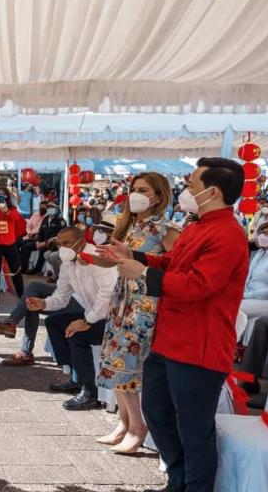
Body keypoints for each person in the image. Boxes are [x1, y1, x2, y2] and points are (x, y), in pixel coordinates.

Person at [98, 157, 248, 492]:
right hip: (169, 341)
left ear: (212, 192)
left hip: (199, 347)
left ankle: (195, 486)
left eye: (192, 184)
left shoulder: (228, 234)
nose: (186, 189)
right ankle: (177, 479)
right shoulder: (197, 226)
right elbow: (174, 263)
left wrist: (143, 273)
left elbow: (198, 285)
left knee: (194, 430)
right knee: (157, 412)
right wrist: (137, 257)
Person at [94, 172, 180, 454]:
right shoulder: (127, 223)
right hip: (122, 298)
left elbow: (175, 266)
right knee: (113, 359)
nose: (136, 194)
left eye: (143, 190)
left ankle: (137, 427)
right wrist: (102, 256)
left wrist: (141, 266)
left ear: (158, 196)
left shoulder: (166, 229)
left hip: (144, 303)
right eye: (134, 188)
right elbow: (116, 262)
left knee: (128, 362)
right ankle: (125, 422)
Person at [26, 227, 118, 409]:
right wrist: (43, 304)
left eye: (67, 243)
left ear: (81, 242)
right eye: (59, 244)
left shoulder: (97, 258)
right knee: (53, 323)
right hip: (93, 314)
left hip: (113, 318)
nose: (62, 248)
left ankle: (90, 393)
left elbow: (108, 294)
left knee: (78, 334)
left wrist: (87, 321)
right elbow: (61, 296)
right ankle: (77, 378)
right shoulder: (68, 264)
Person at [0, 188, 26, 304]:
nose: (1, 196)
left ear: (7, 197)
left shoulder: (12, 209)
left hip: (10, 243)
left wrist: (6, 210)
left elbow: (15, 218)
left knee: (16, 269)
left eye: (3, 195)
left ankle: (21, 295)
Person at [23, 203, 66, 275]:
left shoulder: (60, 220)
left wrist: (46, 242)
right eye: (49, 208)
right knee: (27, 246)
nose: (50, 209)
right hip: (43, 241)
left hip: (53, 243)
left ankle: (37, 269)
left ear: (56, 209)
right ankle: (23, 267)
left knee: (43, 249)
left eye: (52, 208)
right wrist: (38, 241)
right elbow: (41, 232)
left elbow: (60, 234)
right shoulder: (45, 220)